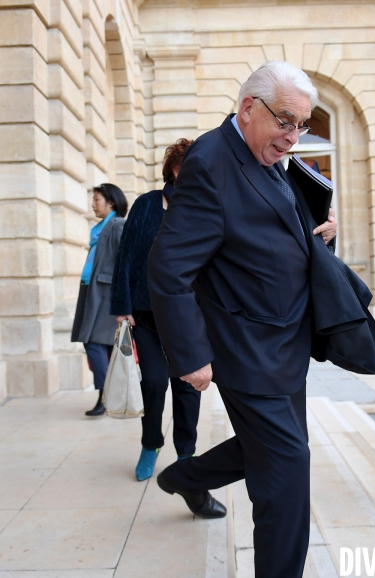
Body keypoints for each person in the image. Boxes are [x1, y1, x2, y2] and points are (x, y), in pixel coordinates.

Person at [147, 61, 338, 578]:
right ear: (248, 108)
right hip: (246, 347)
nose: (293, 138)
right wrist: (190, 354)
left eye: (303, 125)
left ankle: (186, 476)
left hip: (283, 343)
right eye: (286, 122)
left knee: (275, 449)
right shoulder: (210, 162)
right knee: (287, 473)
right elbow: (169, 269)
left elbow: (266, 229)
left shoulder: (265, 152)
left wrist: (318, 232)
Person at [109, 141, 225, 516]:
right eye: (184, 165)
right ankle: (150, 442)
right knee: (155, 383)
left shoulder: (207, 205)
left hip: (191, 317)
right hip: (145, 314)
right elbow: (125, 256)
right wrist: (121, 306)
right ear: (173, 170)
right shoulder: (146, 204)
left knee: (188, 387)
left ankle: (186, 454)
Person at [72, 184, 128, 416]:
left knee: (94, 342)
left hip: (106, 293)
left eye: (97, 200)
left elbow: (126, 262)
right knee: (100, 344)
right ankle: (108, 396)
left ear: (111, 203)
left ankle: (107, 395)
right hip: (93, 291)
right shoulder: (99, 230)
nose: (93, 204)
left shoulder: (116, 226)